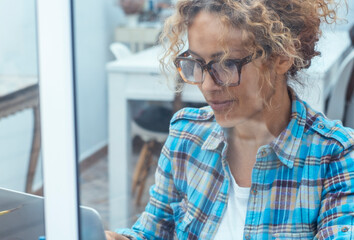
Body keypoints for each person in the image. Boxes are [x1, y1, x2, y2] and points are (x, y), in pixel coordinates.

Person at [106, 0, 354, 239]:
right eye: (196, 63)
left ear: (282, 56)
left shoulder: (335, 157)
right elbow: (153, 232)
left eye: (225, 64)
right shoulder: (186, 136)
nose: (207, 85)